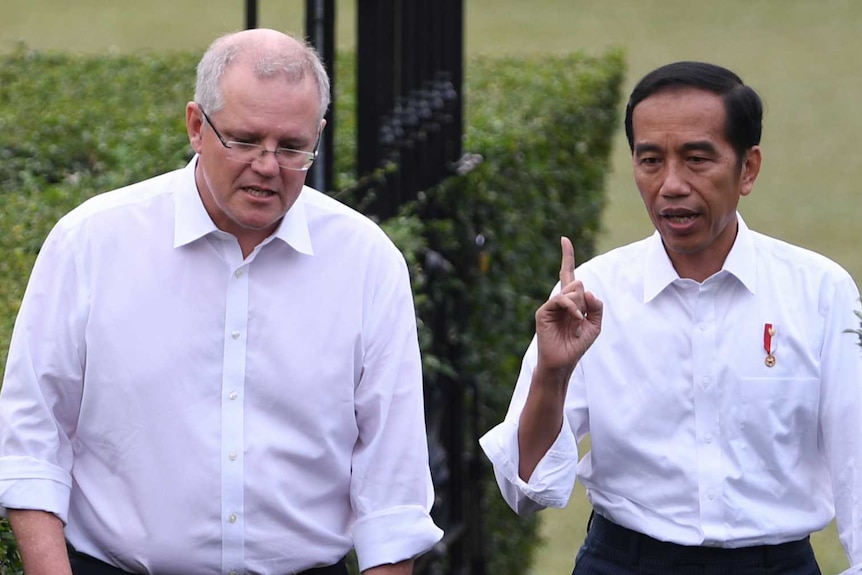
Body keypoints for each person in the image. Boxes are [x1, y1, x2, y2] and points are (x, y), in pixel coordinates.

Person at [0, 28, 442, 575]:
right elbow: (31, 437)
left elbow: (393, 489)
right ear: (195, 127)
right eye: (245, 139)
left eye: (292, 147)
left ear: (318, 137)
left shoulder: (367, 262)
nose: (267, 164)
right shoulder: (91, 242)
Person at [480, 61, 862, 575]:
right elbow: (526, 490)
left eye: (697, 159)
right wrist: (553, 373)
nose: (672, 184)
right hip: (624, 560)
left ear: (747, 169)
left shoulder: (821, 291)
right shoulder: (591, 294)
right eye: (651, 160)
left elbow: (856, 461)